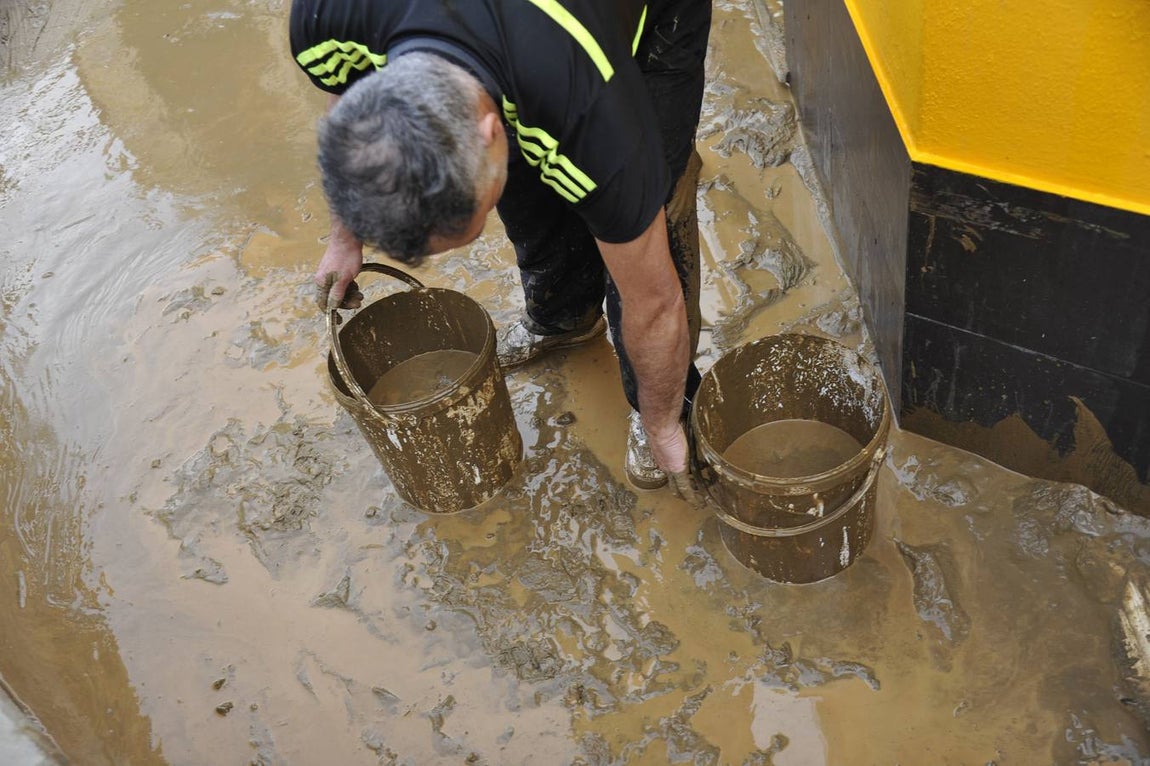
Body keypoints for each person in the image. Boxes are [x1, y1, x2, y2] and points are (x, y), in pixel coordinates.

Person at [291, 0, 711, 492]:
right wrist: (345, 237)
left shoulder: (598, 122)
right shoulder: (326, 18)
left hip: (646, 21)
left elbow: (654, 302)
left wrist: (662, 425)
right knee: (525, 181)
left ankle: (663, 402)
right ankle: (564, 318)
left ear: (492, 131)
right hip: (531, 48)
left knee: (649, 211)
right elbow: (347, 99)